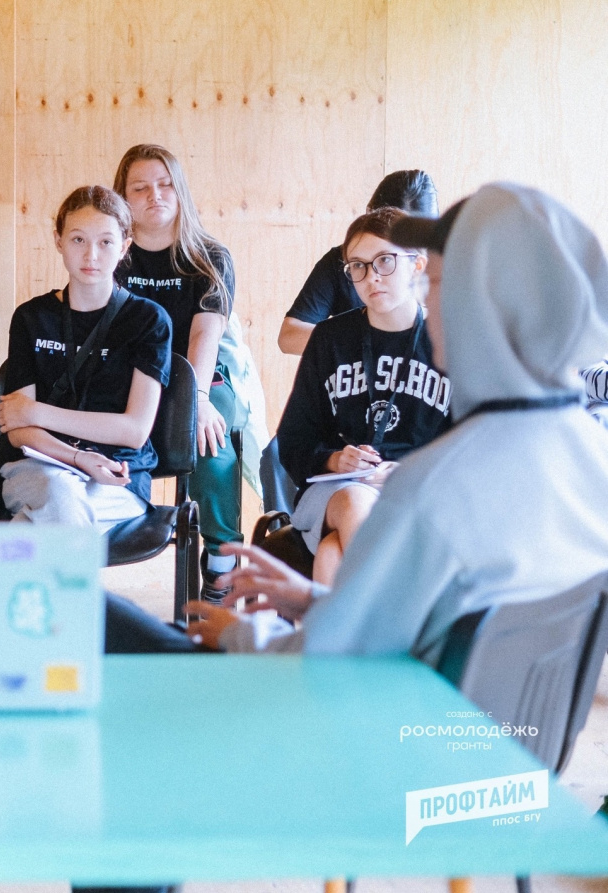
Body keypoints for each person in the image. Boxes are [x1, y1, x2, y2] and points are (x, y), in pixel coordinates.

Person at [185, 183, 608, 661]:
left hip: (416, 700)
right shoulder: (591, 461)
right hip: (501, 706)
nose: (428, 300)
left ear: (492, 303)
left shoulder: (435, 484)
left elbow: (350, 650)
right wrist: (318, 602)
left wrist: (237, 636)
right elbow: (423, 619)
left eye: (442, 283)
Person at [113, 144, 265, 602]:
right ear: (123, 197)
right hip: (131, 373)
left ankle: (220, 564)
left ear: (180, 191)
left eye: (165, 185)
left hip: (199, 374)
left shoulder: (209, 256)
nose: (154, 195)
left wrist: (196, 401)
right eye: (140, 188)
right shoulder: (112, 254)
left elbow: (205, 336)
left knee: (209, 440)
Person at [277, 207, 453, 585]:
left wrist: (409, 473)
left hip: (421, 491)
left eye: (385, 261)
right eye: (358, 266)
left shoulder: (449, 338)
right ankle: (394, 609)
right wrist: (335, 459)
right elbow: (293, 440)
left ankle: (350, 621)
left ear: (417, 265)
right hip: (339, 491)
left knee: (331, 556)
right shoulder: (329, 339)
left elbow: (468, 445)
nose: (371, 276)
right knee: (355, 500)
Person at [0, 185, 170, 528]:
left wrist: (36, 412)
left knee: (48, 518)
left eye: (106, 242)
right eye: (78, 239)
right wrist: (76, 457)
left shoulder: (148, 320)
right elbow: (18, 431)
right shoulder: (31, 317)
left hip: (118, 474)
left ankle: (16, 560)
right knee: (60, 493)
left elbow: (134, 431)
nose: (91, 255)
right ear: (58, 241)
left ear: (124, 247)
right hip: (40, 466)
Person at [278, 169, 439, 356]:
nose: (372, 275)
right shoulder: (343, 261)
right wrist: (368, 340)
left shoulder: (451, 265)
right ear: (369, 216)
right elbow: (289, 336)